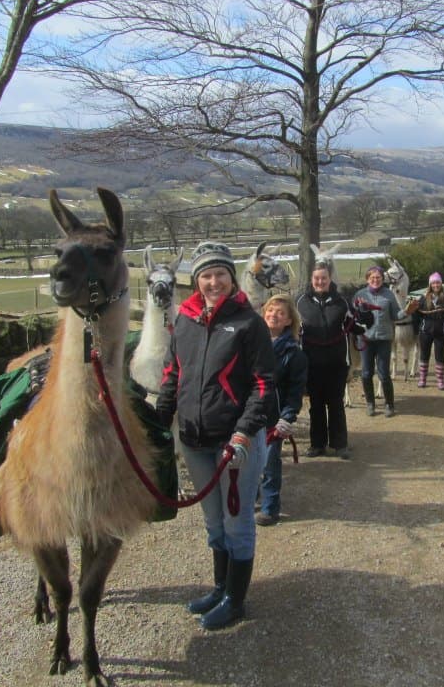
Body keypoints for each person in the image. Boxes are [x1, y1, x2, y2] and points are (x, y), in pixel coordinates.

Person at [156, 241, 276, 631]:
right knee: (214, 522)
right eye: (206, 275)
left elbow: (263, 384)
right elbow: (172, 377)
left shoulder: (249, 323)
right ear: (196, 281)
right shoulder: (185, 322)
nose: (213, 282)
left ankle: (234, 601)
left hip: (235, 442)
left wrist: (244, 432)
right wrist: (158, 424)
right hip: (195, 441)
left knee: (237, 521)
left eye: (220, 274)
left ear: (231, 277)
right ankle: (221, 588)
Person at [296, 265, 365, 459]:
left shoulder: (342, 302)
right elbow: (292, 326)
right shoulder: (301, 301)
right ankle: (317, 445)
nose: (320, 282)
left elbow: (357, 326)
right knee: (316, 404)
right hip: (312, 363)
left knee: (336, 403)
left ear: (329, 279)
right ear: (311, 280)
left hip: (337, 363)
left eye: (323, 278)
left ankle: (340, 444)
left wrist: (365, 315)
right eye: (316, 278)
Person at [257, 295, 308, 526]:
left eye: (280, 313)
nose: (274, 315)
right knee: (246, 463)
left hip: (273, 418)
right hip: (247, 415)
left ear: (289, 321)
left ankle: (270, 507)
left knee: (270, 464)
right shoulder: (250, 345)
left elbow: (296, 391)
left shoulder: (294, 353)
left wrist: (287, 418)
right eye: (270, 310)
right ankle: (249, 499)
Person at [353, 265, 407, 417]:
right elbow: (353, 316)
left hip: (384, 339)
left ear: (383, 279)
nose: (375, 280)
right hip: (365, 340)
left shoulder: (389, 295)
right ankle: (370, 403)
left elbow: (395, 315)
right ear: (367, 279)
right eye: (372, 278)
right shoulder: (360, 294)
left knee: (384, 374)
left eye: (378, 278)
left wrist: (406, 312)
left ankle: (389, 404)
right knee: (366, 373)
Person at [413, 272, 444, 390]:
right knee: (424, 355)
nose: (436, 285)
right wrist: (414, 310)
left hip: (442, 332)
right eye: (433, 283)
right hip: (425, 331)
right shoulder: (423, 298)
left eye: (438, 283)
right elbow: (417, 315)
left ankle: (440, 380)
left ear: (441, 284)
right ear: (430, 284)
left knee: (440, 356)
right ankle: (422, 379)